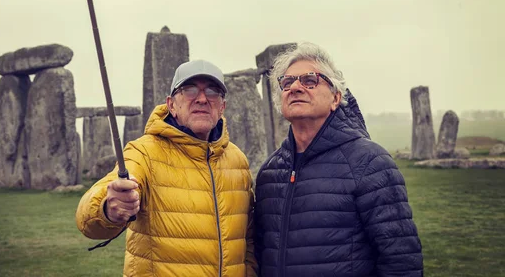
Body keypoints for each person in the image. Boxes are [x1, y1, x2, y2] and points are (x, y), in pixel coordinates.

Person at [254, 42, 423, 277]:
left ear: (336, 97)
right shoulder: (269, 173)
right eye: (287, 82)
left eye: (310, 80)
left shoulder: (370, 163)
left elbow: (401, 261)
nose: (295, 87)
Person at [76, 59, 257, 277]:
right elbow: (88, 219)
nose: (202, 99)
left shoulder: (237, 161)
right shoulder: (143, 153)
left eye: (212, 91)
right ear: (171, 104)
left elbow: (248, 236)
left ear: (222, 106)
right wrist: (107, 207)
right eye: (189, 90)